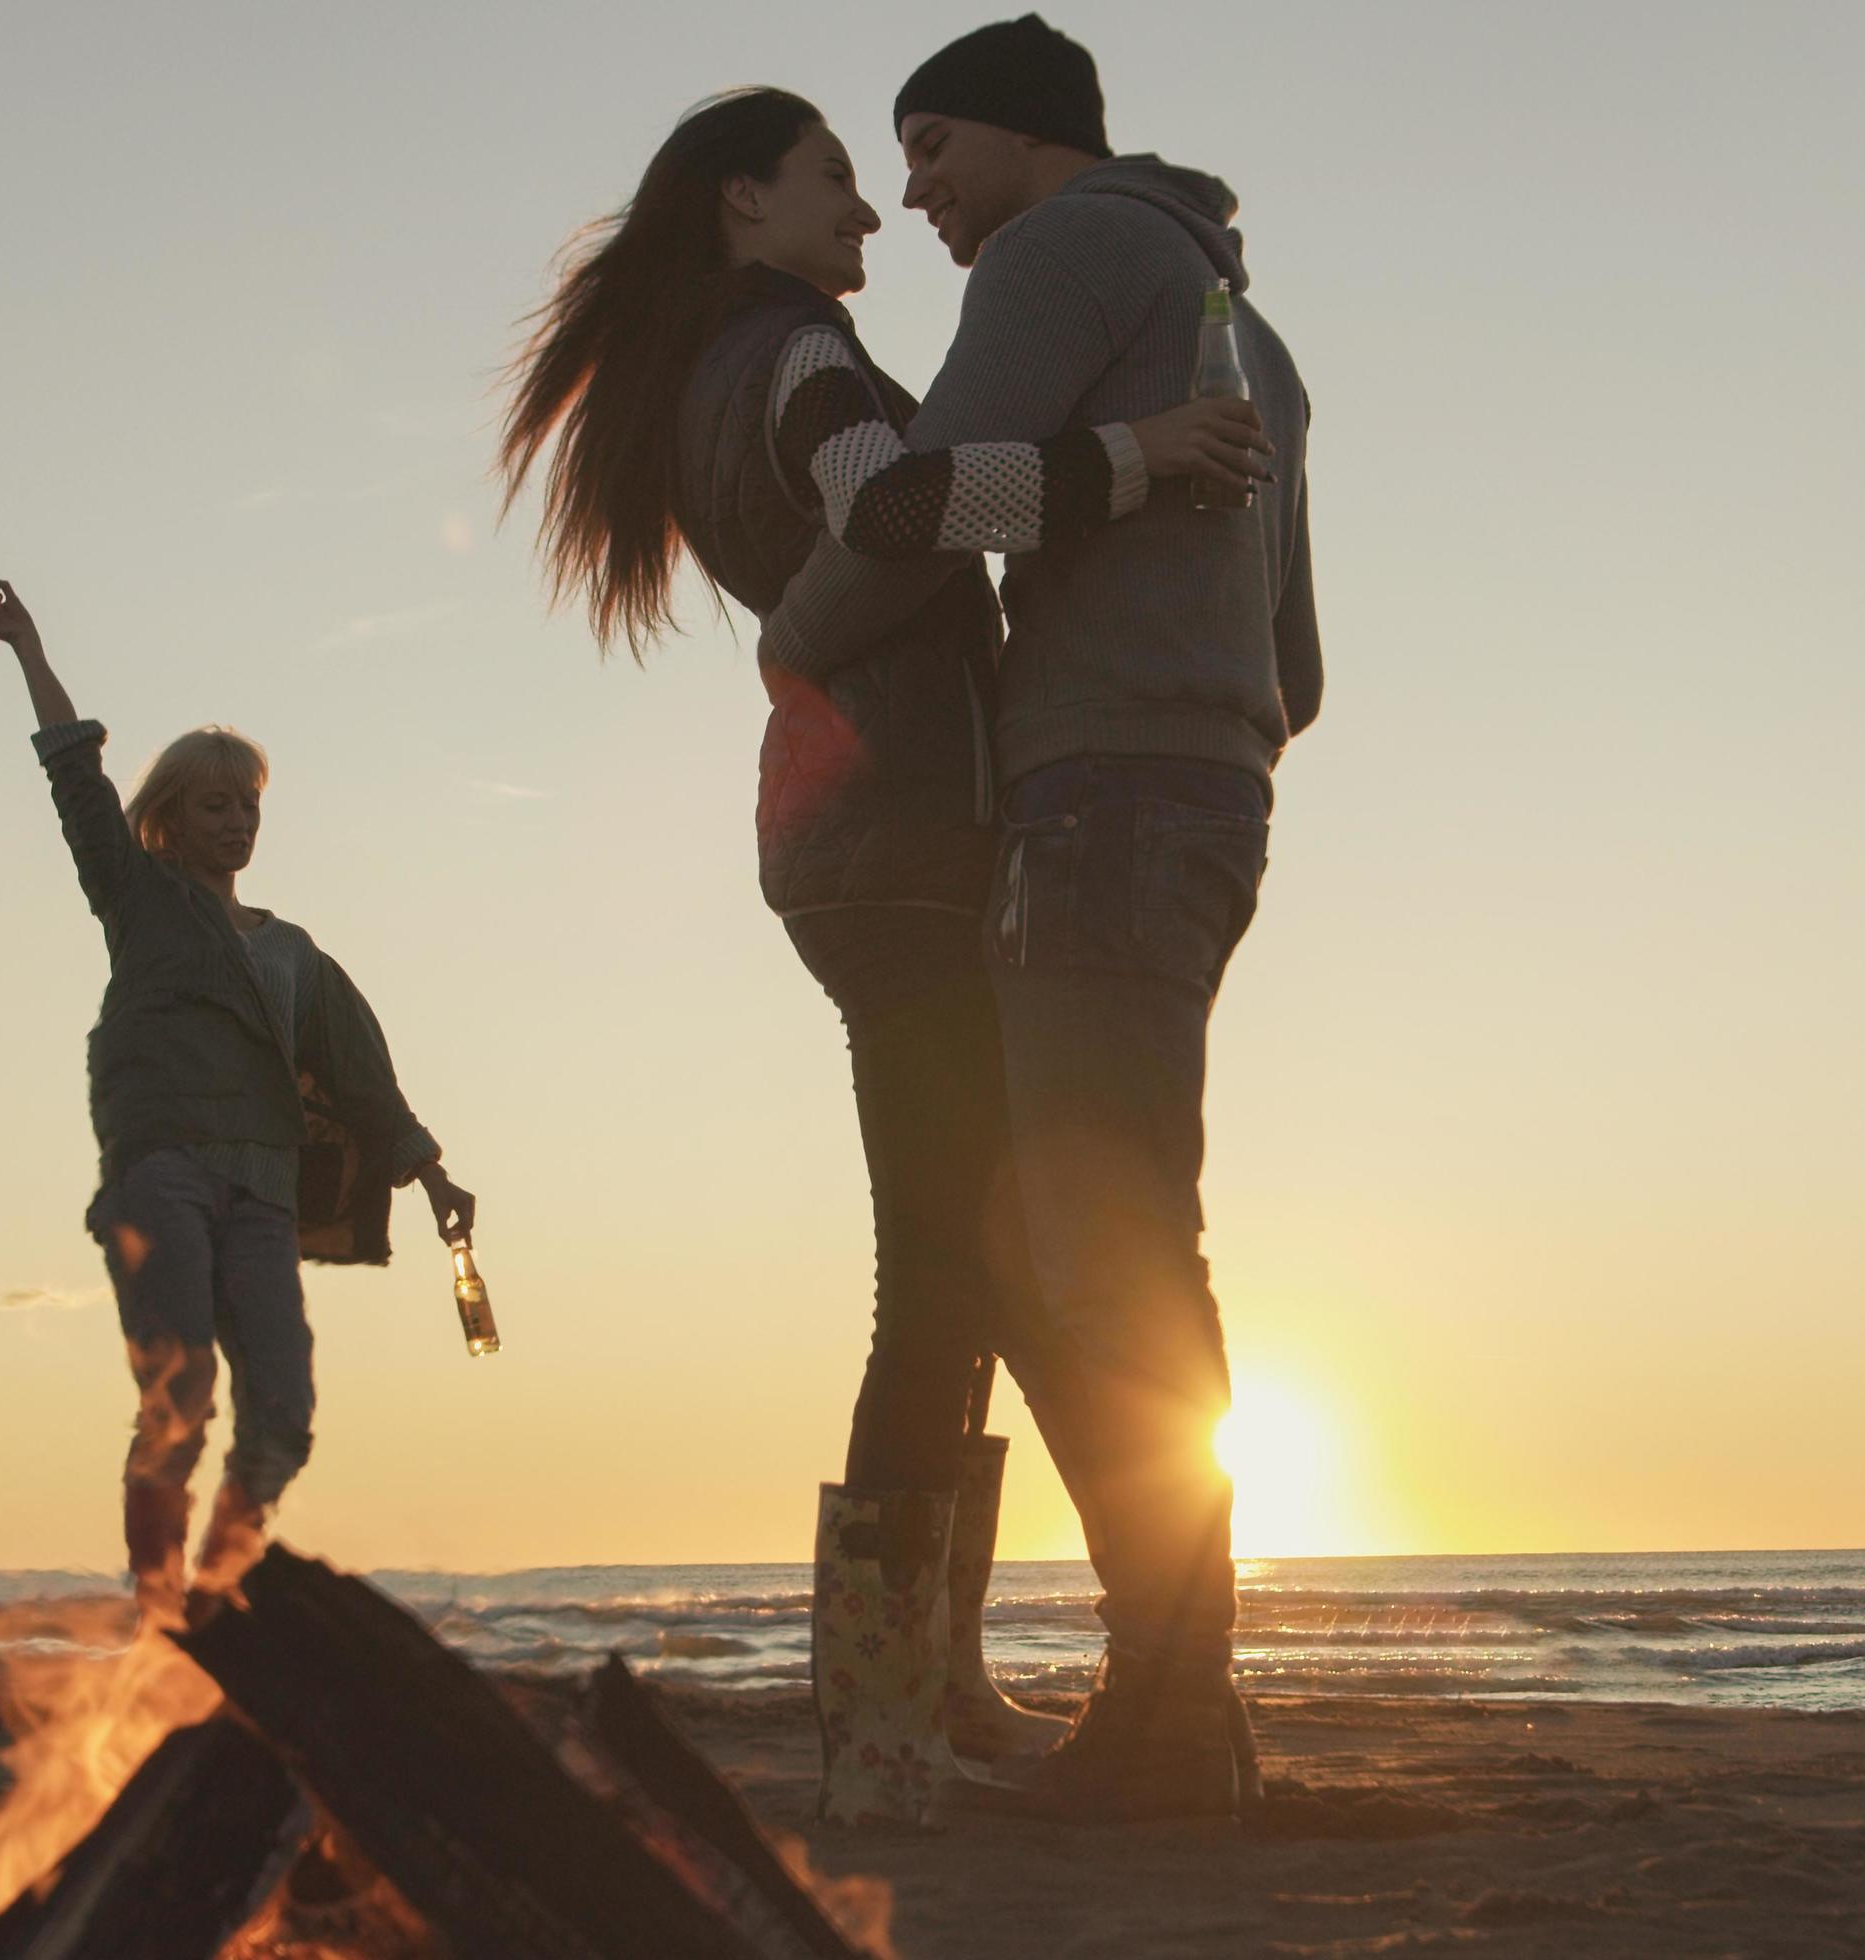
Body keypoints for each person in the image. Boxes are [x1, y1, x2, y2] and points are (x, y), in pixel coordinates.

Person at [496, 88, 1269, 1825]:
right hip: (908, 833)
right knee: (958, 1268)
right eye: (834, 176)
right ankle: (926, 1712)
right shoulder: (794, 356)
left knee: (957, 1261)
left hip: (853, 834)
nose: (867, 208)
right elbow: (907, 508)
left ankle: (936, 1694)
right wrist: (1135, 458)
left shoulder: (709, 372)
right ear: (738, 207)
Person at [758, 14, 1323, 1824]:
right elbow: (1296, 665)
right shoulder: (1251, 329)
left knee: (1103, 1250)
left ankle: (1170, 1718)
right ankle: (1177, 1706)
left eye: (930, 148)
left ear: (1024, 142)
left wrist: (798, 631)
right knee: (1109, 1225)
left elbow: (921, 504)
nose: (912, 190)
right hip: (1213, 801)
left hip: (1093, 803)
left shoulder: (1061, 253)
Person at [0, 580, 474, 1618]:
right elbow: (74, 775)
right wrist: (24, 643)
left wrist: (431, 1176)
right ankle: (158, 1612)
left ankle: (211, 1602)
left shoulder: (293, 954)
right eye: (215, 803)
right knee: (181, 1397)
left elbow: (364, 1080)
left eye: (248, 802)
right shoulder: (140, 899)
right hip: (162, 1173)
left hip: (264, 1193)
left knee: (282, 1412)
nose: (238, 819)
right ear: (169, 818)